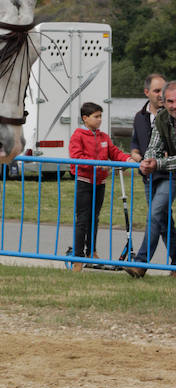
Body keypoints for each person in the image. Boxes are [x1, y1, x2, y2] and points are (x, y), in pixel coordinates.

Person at [68, 101, 131, 272]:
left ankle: (92, 252)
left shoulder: (104, 137)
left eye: (101, 116)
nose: (100, 120)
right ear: (85, 118)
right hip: (84, 182)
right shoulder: (78, 135)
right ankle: (78, 257)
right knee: (82, 219)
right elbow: (77, 157)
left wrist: (127, 159)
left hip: (100, 183)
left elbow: (114, 152)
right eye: (96, 117)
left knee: (94, 219)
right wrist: (97, 165)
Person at [129, 73, 176, 276]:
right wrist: (147, 162)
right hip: (167, 175)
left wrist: (157, 163)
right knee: (161, 217)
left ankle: (140, 262)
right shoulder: (162, 118)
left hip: (168, 172)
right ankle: (141, 264)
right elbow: (153, 147)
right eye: (170, 101)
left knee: (157, 214)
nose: (173, 105)